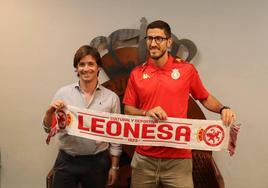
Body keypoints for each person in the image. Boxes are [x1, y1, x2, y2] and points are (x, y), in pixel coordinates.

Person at [123, 20, 236, 188]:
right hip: (144, 159)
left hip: (178, 160)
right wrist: (146, 113)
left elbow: (204, 97)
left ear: (169, 42)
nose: (153, 43)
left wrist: (223, 108)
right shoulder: (137, 73)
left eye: (158, 39)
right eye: (149, 38)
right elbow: (128, 110)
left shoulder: (186, 70)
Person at [42, 45, 122, 188]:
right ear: (76, 69)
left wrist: (114, 167)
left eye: (91, 64)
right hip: (67, 160)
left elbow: (116, 138)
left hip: (98, 163)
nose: (86, 68)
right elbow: (48, 129)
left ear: (98, 68)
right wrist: (49, 113)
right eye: (81, 64)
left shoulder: (112, 98)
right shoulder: (63, 93)